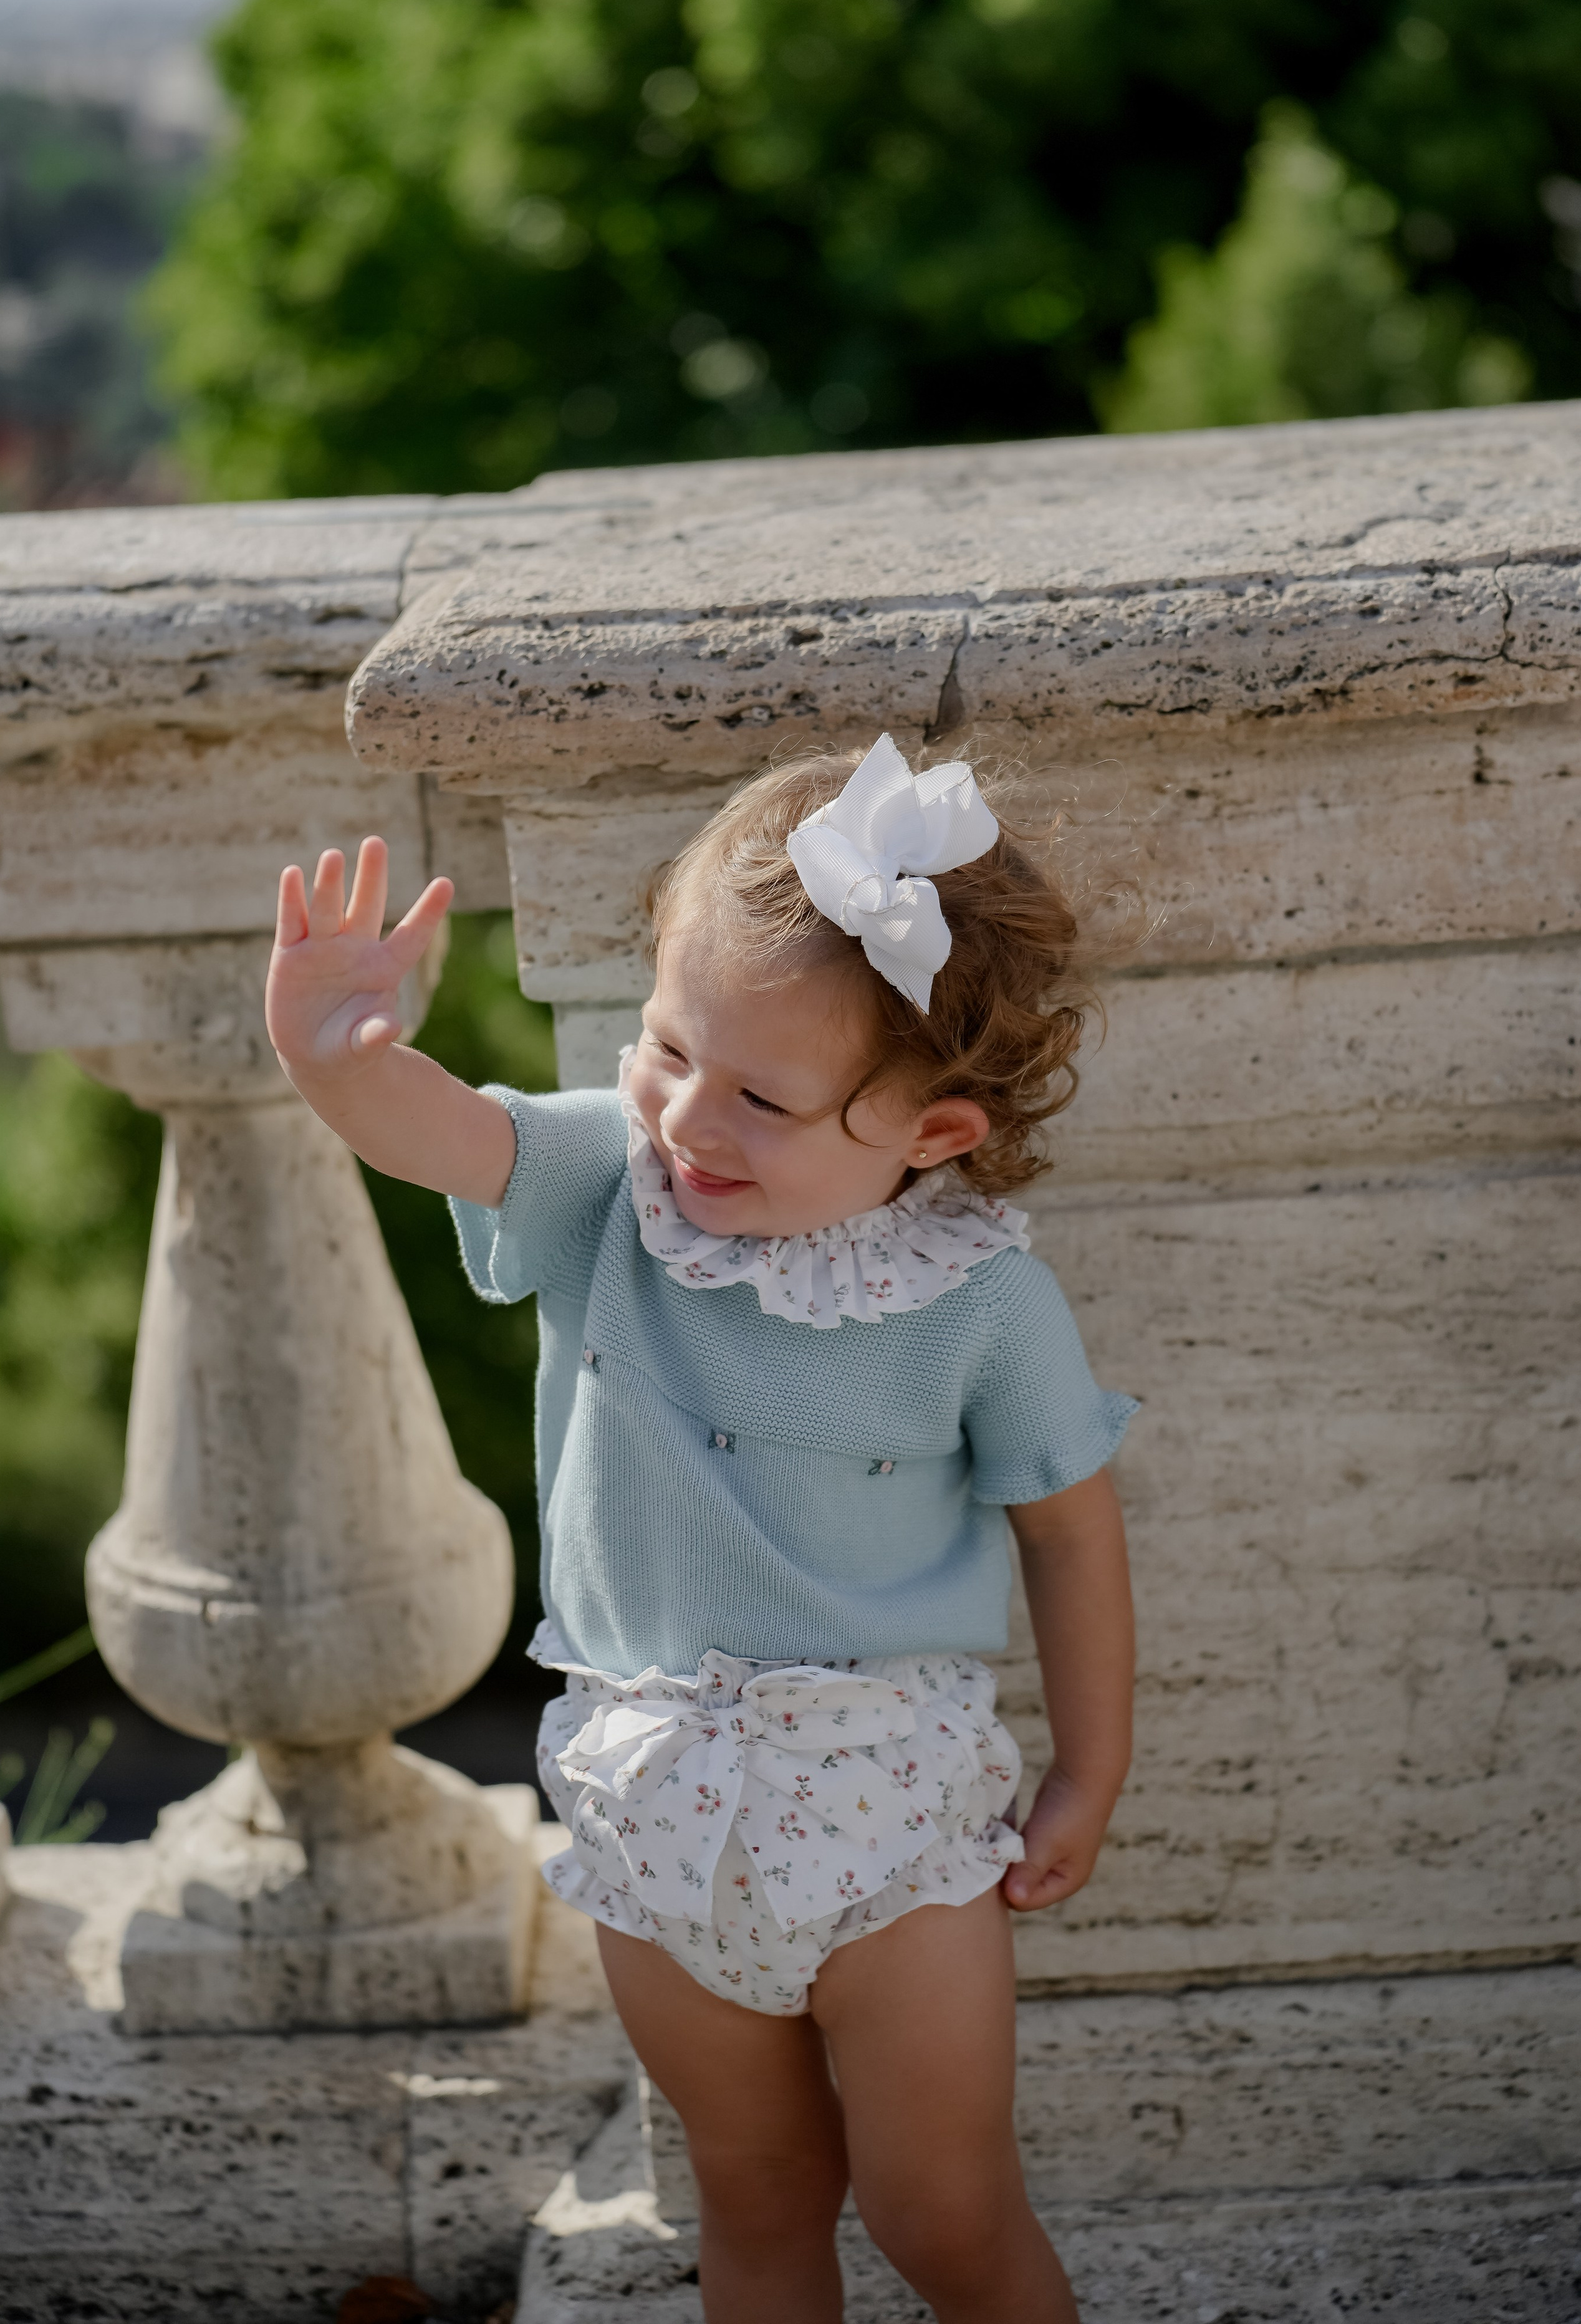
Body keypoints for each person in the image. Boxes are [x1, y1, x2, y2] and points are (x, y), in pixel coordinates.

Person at [266, 735, 1138, 2324]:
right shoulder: (616, 1184)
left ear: (931, 1134)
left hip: (891, 1821)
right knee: (751, 2199)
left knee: (941, 2211)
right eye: (669, 1046)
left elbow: (1069, 1538)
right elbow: (444, 1127)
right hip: (654, 1803)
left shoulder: (980, 1305)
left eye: (760, 1096)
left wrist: (1089, 1765)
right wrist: (336, 1058)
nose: (691, 1119)